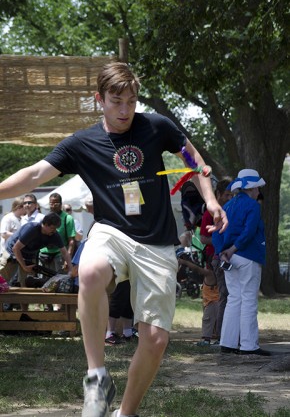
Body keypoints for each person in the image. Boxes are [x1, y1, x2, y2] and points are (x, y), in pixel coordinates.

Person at [0, 62, 227, 417]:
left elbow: (192, 159)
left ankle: (125, 412)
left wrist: (211, 200)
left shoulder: (156, 126)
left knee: (155, 340)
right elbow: (34, 173)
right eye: (116, 101)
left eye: (131, 101)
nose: (124, 110)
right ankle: (97, 375)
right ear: (99, 99)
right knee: (89, 273)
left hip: (155, 242)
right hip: (112, 231)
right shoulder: (82, 143)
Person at [212, 169, 270, 356]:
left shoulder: (228, 205)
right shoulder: (253, 206)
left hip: (229, 258)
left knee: (234, 299)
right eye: (257, 188)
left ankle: (227, 343)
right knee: (248, 300)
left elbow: (216, 231)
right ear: (250, 188)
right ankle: (248, 346)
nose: (258, 192)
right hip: (247, 255)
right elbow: (249, 231)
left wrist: (223, 252)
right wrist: (234, 248)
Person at [200, 178, 232, 342]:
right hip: (216, 258)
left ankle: (221, 332)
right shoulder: (209, 213)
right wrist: (222, 241)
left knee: (226, 295)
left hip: (230, 256)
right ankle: (219, 335)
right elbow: (204, 238)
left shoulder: (231, 209)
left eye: (231, 195)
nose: (229, 198)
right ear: (218, 193)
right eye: (226, 194)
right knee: (219, 296)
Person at [6, 212, 73, 288]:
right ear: (45, 224)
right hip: (11, 251)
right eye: (52, 228)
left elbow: (65, 253)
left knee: (27, 282)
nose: (54, 231)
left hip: (29, 255)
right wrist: (24, 266)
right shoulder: (32, 229)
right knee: (4, 278)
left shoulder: (54, 235)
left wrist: (70, 269)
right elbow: (16, 248)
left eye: (55, 229)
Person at [177, 254, 220, 346]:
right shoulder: (216, 273)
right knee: (215, 321)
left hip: (212, 302)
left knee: (207, 320)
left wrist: (185, 262)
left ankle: (206, 340)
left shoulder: (210, 273)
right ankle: (218, 338)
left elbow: (197, 269)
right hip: (212, 302)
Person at [39, 193, 76, 273]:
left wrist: (68, 259)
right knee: (43, 282)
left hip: (59, 255)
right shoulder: (46, 217)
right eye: (51, 203)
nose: (53, 206)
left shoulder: (67, 218)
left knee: (58, 281)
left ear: (61, 204)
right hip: (44, 254)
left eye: (56, 203)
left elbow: (71, 241)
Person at [0, 197, 25, 282]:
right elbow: (3, 233)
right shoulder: (8, 218)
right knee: (3, 280)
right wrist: (19, 235)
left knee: (10, 282)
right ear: (19, 207)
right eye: (24, 206)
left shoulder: (21, 219)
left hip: (15, 255)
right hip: (6, 255)